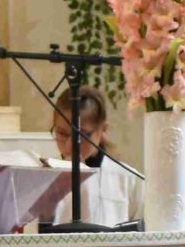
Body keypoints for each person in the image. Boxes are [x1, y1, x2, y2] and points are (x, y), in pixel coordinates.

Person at [46, 85, 137, 227]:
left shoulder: (128, 179)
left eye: (81, 135)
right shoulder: (44, 178)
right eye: (62, 133)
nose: (70, 145)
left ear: (103, 130)